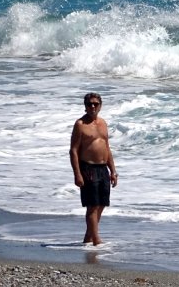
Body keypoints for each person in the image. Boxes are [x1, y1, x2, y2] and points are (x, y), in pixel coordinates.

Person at [69, 92, 118, 245]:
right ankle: (96, 239)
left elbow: (107, 148)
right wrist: (77, 174)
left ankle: (88, 236)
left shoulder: (103, 123)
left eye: (95, 104)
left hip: (103, 168)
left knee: (102, 203)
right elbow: (73, 150)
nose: (92, 106)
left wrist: (113, 171)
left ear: (100, 105)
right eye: (89, 104)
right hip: (88, 168)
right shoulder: (80, 125)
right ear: (85, 106)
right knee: (92, 205)